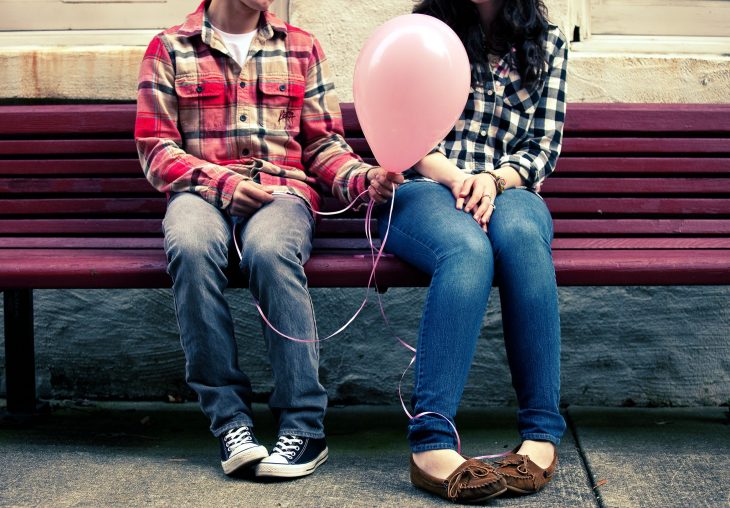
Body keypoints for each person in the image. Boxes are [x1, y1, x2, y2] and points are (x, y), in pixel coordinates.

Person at [135, 0, 400, 479]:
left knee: (270, 250)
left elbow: (322, 146)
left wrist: (364, 180)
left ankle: (304, 425)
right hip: (200, 190)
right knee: (191, 248)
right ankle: (231, 423)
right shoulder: (169, 48)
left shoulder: (301, 47)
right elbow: (156, 149)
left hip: (282, 192)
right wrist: (224, 184)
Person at [377, 0, 568, 502]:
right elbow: (404, 136)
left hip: (510, 190)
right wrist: (460, 179)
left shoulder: (546, 43)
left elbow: (543, 145)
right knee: (468, 251)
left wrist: (492, 179)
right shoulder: (421, 34)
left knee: (524, 240)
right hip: (428, 188)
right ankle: (431, 443)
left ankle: (542, 434)